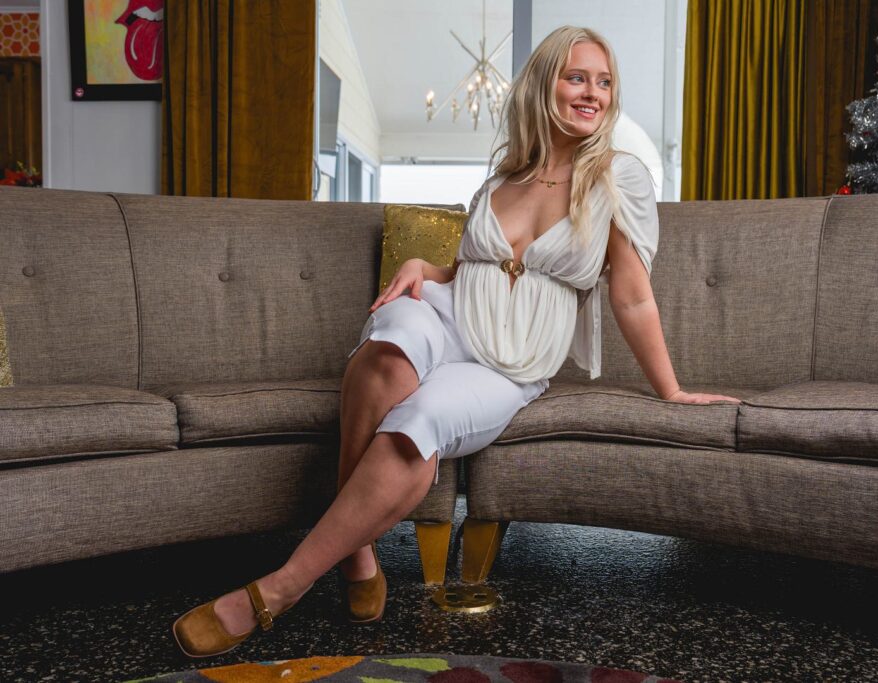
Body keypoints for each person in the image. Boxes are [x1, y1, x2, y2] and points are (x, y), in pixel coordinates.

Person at [171, 25, 742, 658]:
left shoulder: (618, 178)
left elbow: (631, 296)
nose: (593, 94)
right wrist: (426, 266)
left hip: (509, 364)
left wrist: (672, 390)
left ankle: (281, 587)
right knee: (389, 352)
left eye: (604, 82)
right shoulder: (506, 174)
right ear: (544, 84)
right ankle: (357, 553)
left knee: (419, 424)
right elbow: (477, 270)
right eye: (577, 77)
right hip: (447, 315)